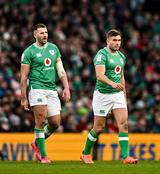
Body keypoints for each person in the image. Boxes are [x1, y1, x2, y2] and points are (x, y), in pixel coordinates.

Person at [80, 29, 138, 164]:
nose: (117, 43)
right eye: (114, 40)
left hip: (117, 95)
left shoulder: (122, 57)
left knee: (123, 124)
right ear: (108, 41)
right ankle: (86, 153)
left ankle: (126, 157)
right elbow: (99, 75)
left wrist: (124, 95)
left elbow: (121, 77)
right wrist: (112, 84)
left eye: (119, 40)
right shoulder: (101, 55)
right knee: (98, 127)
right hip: (102, 95)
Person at [20, 24, 70, 163]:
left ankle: (36, 143)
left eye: (46, 32)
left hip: (52, 89)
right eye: (41, 33)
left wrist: (66, 87)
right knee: (41, 121)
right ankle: (43, 155)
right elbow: (24, 77)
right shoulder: (28, 52)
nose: (45, 35)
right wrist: (24, 97)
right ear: (35, 35)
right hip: (37, 88)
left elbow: (61, 70)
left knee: (55, 123)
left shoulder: (53, 48)